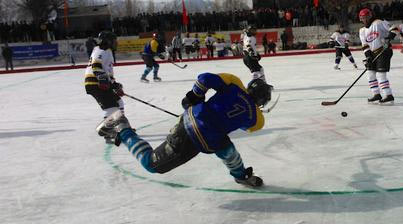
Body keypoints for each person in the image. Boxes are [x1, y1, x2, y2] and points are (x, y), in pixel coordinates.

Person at [96, 73, 273, 188]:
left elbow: (204, 78)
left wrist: (195, 96)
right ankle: (122, 127)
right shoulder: (258, 119)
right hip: (200, 138)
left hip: (189, 119)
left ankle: (241, 175)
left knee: (225, 146)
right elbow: (247, 125)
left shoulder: (235, 83)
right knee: (152, 164)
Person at [84, 31, 124, 143]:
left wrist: (114, 84)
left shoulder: (107, 51)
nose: (116, 43)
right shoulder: (102, 50)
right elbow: (96, 66)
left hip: (99, 83)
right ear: (108, 41)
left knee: (119, 103)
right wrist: (103, 80)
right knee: (112, 108)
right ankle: (107, 132)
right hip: (95, 83)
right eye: (114, 40)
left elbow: (107, 71)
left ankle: (122, 127)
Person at [358, 8, 394, 104]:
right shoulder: (361, 30)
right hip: (373, 53)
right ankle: (376, 94)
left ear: (370, 16)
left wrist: (388, 38)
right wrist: (368, 56)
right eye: (361, 18)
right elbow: (365, 45)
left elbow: (394, 29)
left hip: (384, 51)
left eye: (365, 17)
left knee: (381, 75)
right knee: (370, 74)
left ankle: (388, 95)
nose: (363, 19)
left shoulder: (378, 23)